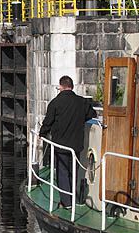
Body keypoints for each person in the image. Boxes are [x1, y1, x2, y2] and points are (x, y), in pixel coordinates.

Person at [39, 76, 97, 209]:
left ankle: (67, 202)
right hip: (76, 145)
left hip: (61, 145)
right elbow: (92, 115)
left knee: (62, 172)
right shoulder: (82, 102)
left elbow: (48, 122)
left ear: (60, 86)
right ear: (72, 86)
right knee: (73, 172)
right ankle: (72, 196)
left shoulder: (55, 103)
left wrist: (42, 133)